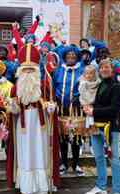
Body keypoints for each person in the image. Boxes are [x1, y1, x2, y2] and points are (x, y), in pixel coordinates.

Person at [6, 43, 60, 194]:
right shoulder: (15, 88)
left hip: (40, 125)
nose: (28, 72)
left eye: (31, 69)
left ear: (36, 70)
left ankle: (43, 188)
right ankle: (26, 188)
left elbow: (52, 105)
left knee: (40, 152)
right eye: (25, 69)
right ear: (20, 71)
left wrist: (51, 108)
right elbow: (14, 112)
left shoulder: (44, 84)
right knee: (25, 154)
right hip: (22, 127)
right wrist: (12, 106)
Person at [83, 58, 120, 194]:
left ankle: (117, 193)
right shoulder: (100, 84)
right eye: (101, 68)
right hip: (95, 127)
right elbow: (97, 103)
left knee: (114, 160)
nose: (103, 70)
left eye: (107, 67)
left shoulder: (119, 87)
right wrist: (88, 107)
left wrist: (93, 110)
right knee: (99, 157)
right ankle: (101, 187)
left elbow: (114, 110)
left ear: (112, 69)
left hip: (109, 128)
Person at [53, 45, 85, 177]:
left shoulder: (82, 70)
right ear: (64, 57)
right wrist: (55, 97)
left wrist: (80, 97)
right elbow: (53, 85)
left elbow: (87, 87)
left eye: (73, 56)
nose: (71, 57)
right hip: (61, 108)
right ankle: (64, 163)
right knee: (63, 137)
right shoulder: (58, 71)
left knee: (76, 137)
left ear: (77, 57)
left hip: (76, 109)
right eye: (68, 56)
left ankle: (76, 164)